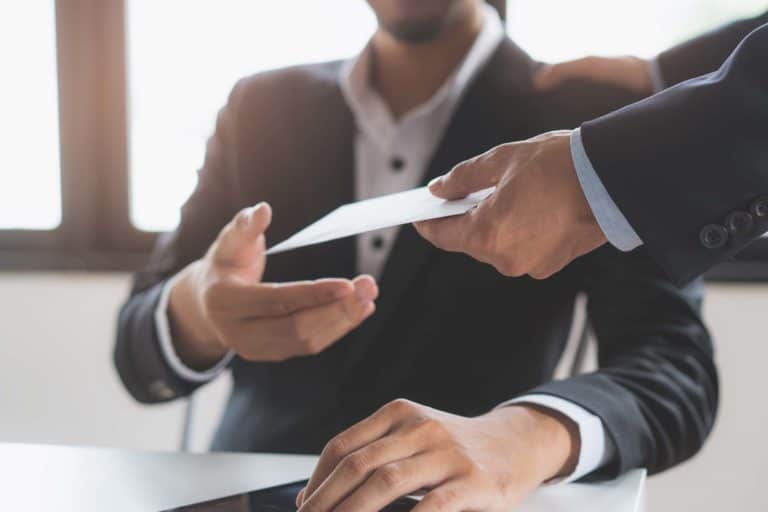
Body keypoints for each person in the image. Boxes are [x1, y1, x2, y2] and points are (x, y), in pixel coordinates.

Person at [114, 1, 718, 510]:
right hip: (247, 494)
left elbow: (674, 370)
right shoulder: (260, 106)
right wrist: (195, 310)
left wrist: (522, 438)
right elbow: (136, 349)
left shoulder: (589, 116)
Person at [416, 12, 768, 286]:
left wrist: (594, 177)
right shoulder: (612, 97)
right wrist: (664, 73)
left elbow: (665, 351)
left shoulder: (572, 107)